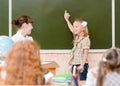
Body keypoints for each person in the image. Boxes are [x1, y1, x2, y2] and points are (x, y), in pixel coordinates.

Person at [64, 11, 90, 86]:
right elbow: (72, 29)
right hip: (75, 64)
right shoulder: (77, 37)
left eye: (76, 26)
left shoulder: (86, 39)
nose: (74, 28)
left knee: (82, 82)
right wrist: (67, 20)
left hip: (81, 65)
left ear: (83, 29)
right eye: (74, 26)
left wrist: (82, 65)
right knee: (74, 82)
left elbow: (85, 54)